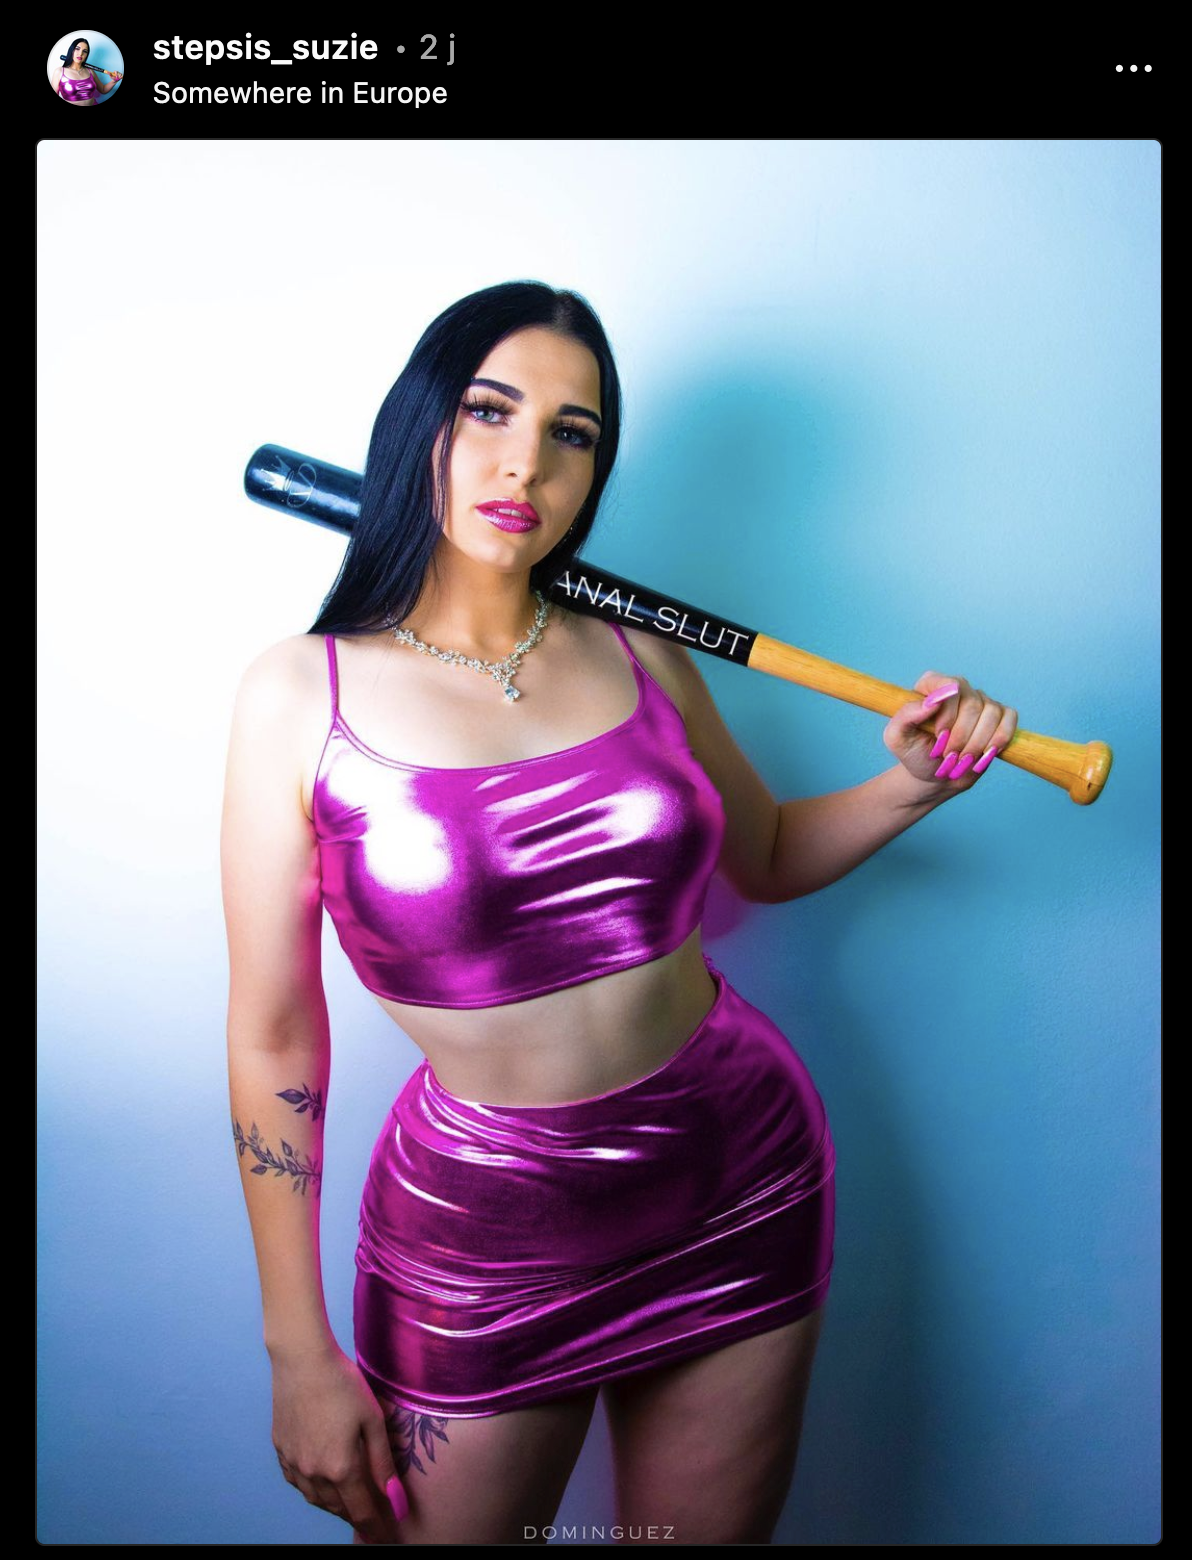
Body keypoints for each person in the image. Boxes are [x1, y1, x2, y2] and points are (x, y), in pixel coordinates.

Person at [220, 280, 1017, 1546]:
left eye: (572, 432)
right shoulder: (299, 694)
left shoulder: (639, 653)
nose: (526, 462)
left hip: (737, 1173)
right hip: (482, 1235)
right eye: (489, 411)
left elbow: (762, 855)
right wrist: (294, 1348)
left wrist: (910, 784)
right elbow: (273, 1033)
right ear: (420, 423)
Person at [51, 38, 122, 105]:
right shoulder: (59, 71)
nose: (80, 54)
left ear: (86, 55)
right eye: (77, 49)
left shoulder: (90, 71)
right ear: (71, 50)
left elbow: (103, 90)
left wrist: (114, 81)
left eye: (84, 51)